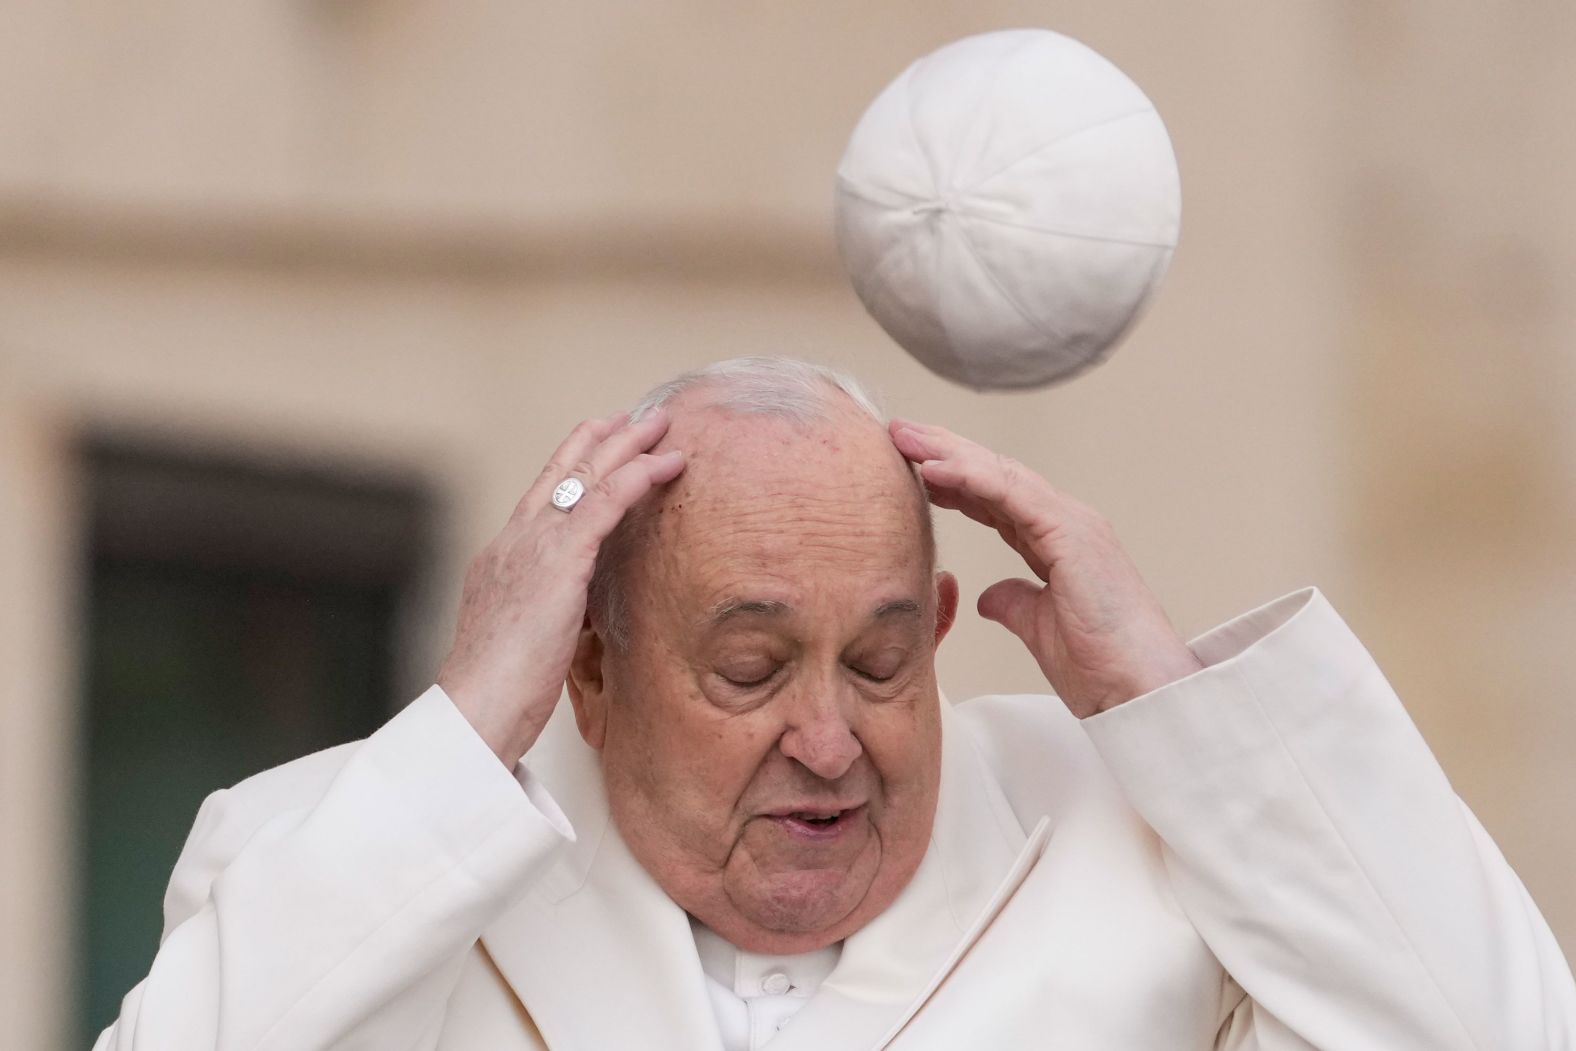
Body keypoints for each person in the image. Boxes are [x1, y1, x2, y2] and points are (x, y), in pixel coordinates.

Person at [95, 357, 1575, 1050]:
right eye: (748, 669)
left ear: (942, 630)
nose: (829, 740)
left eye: (882, 661)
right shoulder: (341, 861)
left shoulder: (1161, 856)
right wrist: (468, 729)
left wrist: (1172, 699)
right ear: (590, 672)